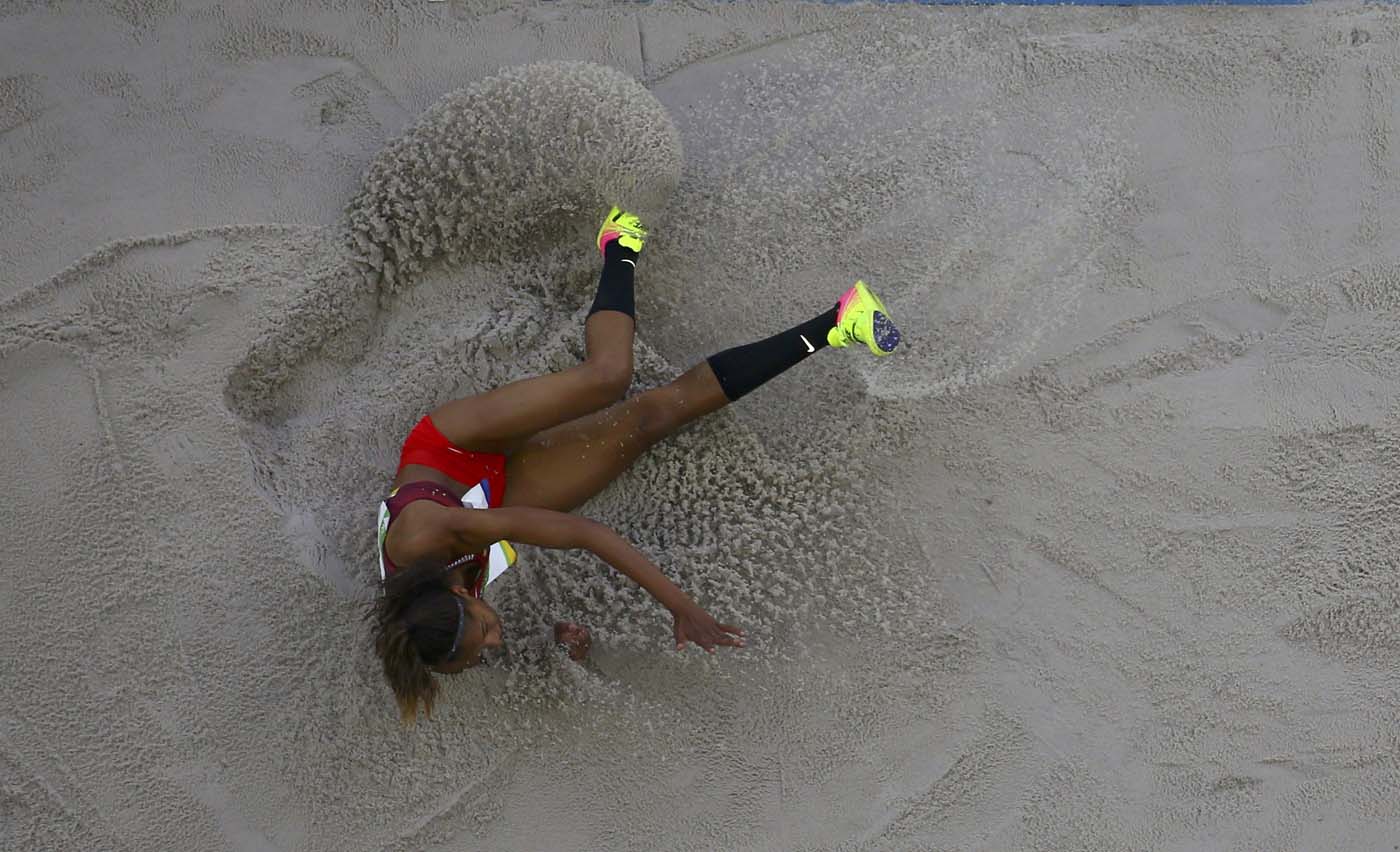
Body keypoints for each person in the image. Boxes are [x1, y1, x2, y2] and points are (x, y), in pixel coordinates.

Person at [369, 206, 902, 721]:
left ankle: (619, 241)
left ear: (458, 597)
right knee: (651, 419)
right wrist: (563, 643)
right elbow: (472, 629)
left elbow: (580, 532)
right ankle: (838, 322)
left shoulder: (424, 536)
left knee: (608, 377)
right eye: (483, 652)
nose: (496, 639)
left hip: (453, 450)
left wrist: (680, 605)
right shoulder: (436, 627)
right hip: (492, 496)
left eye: (484, 633)